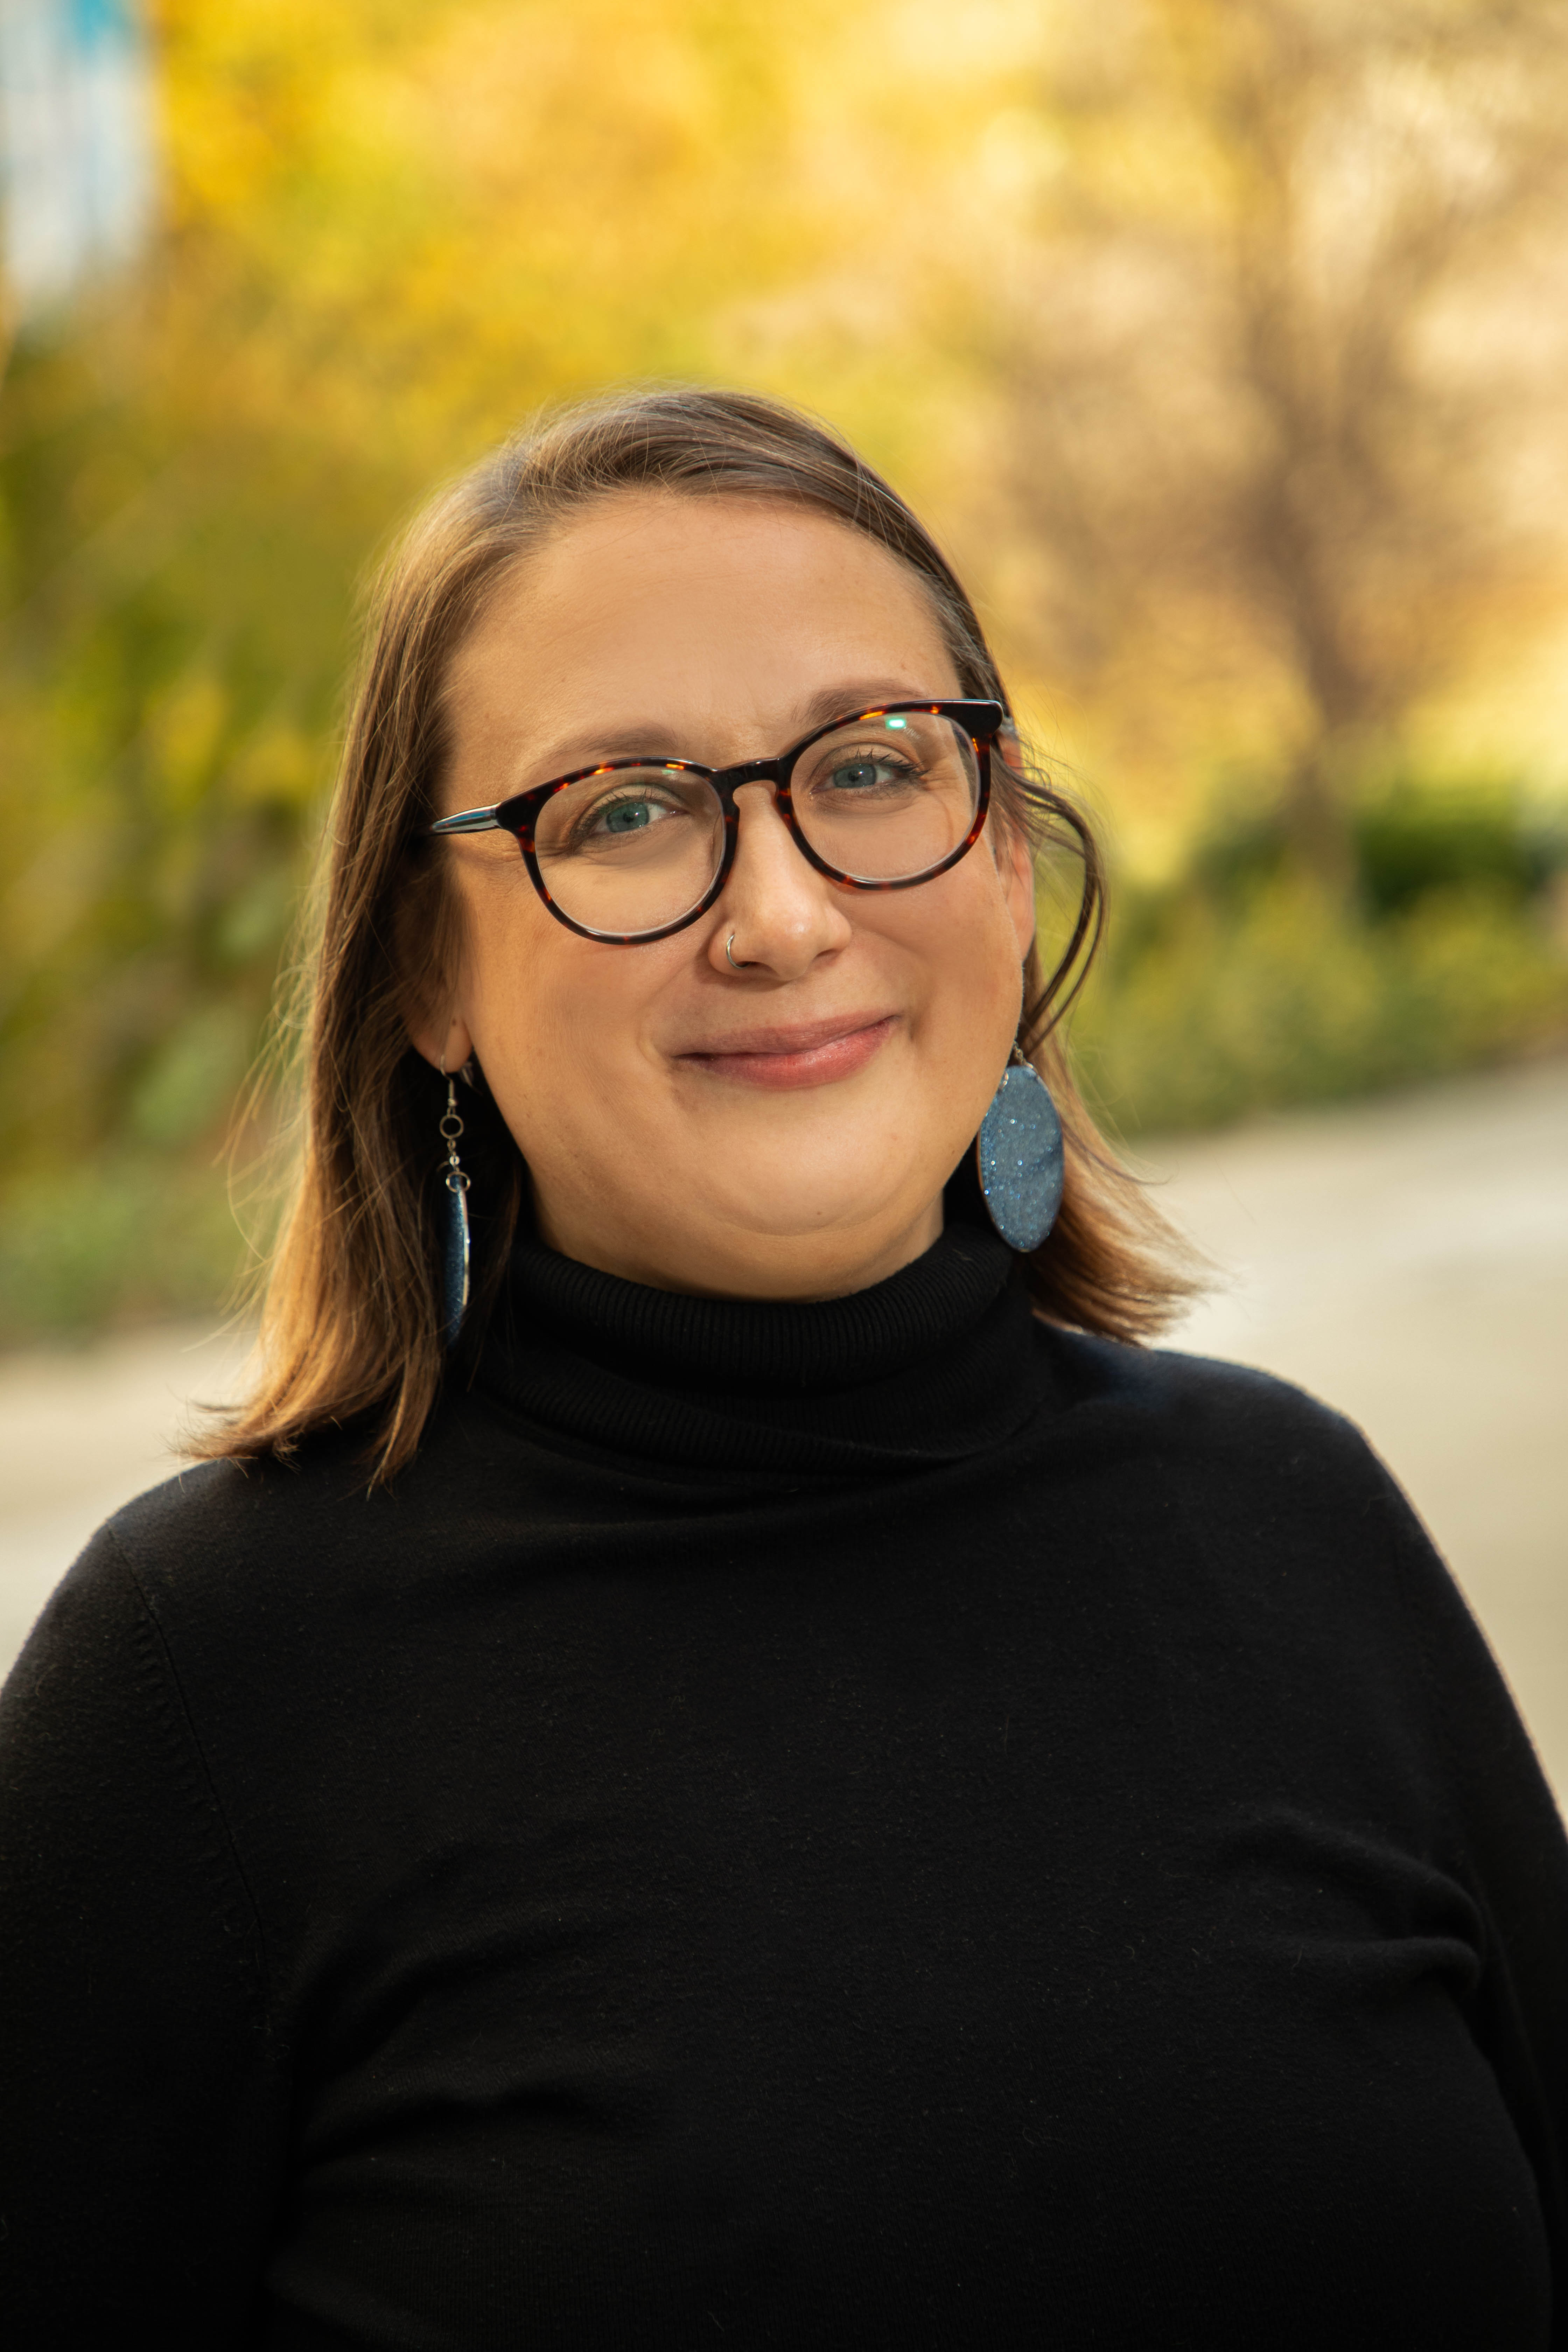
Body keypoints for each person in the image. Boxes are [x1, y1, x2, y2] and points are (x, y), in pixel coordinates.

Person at [1, 387, 1564, 2351]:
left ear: (1003, 857)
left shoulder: (1293, 1519)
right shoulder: (203, 1678)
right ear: (424, 976)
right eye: (627, 813)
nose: (785, 913)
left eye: (874, 767)